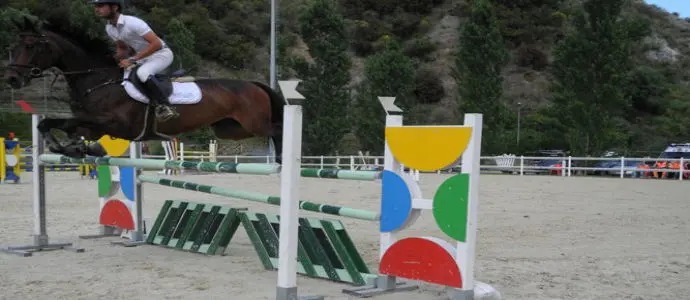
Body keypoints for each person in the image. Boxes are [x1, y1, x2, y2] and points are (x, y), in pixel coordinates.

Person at [91, 0, 179, 122]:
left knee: (142, 73)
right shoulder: (109, 28)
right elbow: (122, 49)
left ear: (115, 7)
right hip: (143, 57)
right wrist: (109, 61)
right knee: (121, 76)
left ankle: (165, 106)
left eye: (100, 6)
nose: (96, 9)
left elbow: (157, 44)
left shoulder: (133, 23)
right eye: (96, 6)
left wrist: (132, 59)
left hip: (161, 54)